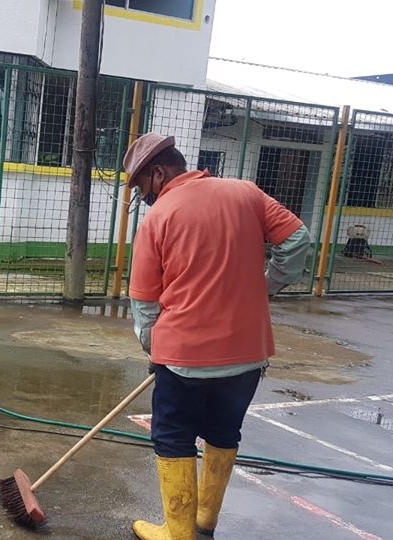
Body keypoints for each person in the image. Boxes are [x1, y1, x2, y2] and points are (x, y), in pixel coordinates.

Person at [124, 133, 310, 540]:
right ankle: (204, 523)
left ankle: (177, 533)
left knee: (173, 437)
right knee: (224, 432)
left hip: (184, 357)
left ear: (159, 173)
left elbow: (144, 301)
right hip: (247, 353)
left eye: (142, 186)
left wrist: (153, 348)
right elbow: (298, 240)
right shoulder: (247, 192)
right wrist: (266, 286)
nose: (145, 197)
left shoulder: (158, 217)